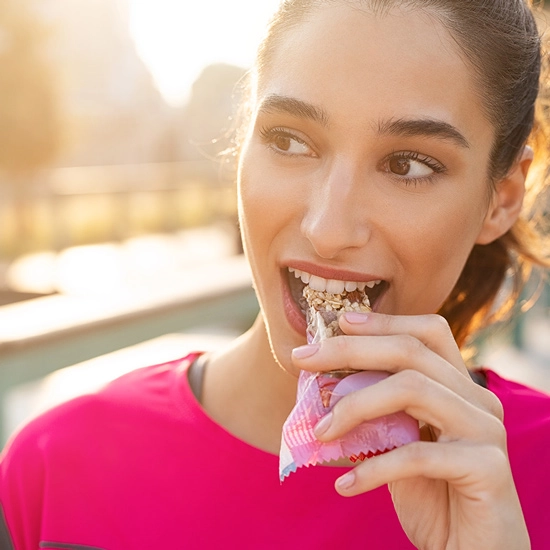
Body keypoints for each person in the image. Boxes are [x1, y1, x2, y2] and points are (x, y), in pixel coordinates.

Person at [1, 0, 550, 548]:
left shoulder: (534, 475)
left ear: (501, 199)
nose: (327, 227)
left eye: (408, 165)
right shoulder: (54, 470)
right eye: (290, 140)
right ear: (244, 139)